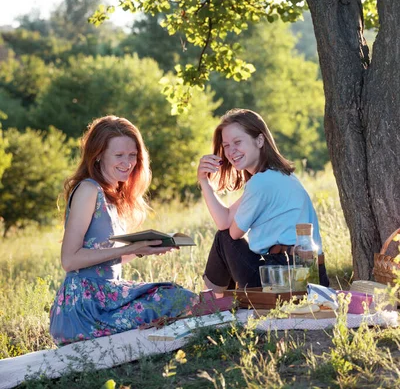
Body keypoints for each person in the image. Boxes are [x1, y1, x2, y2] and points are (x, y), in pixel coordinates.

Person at [50, 115, 197, 345]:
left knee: (178, 296)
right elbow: (69, 260)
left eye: (132, 156)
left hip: (107, 297)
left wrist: (143, 249)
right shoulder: (88, 190)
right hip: (84, 309)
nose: (127, 163)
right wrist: (131, 248)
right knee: (175, 298)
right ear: (98, 155)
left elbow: (104, 261)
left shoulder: (111, 194)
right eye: (119, 155)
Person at [197, 108, 329, 294]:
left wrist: (204, 182)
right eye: (226, 145)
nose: (231, 151)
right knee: (224, 235)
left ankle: (211, 303)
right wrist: (204, 181)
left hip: (285, 274)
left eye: (237, 142)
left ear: (259, 141)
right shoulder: (276, 176)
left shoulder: (261, 182)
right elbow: (225, 219)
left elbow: (231, 232)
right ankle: (215, 303)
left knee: (223, 238)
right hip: (313, 274)